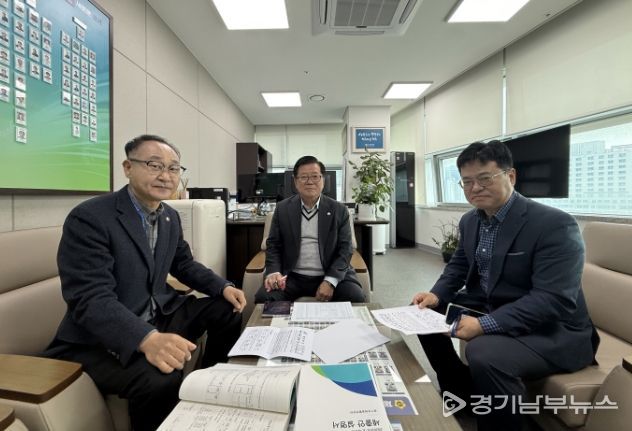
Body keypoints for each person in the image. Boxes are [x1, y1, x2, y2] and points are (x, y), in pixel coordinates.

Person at [44, 135, 246, 431]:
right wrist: (146, 338)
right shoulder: (90, 217)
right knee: (161, 377)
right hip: (101, 337)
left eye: (173, 168)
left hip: (159, 312)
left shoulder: (169, 217)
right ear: (128, 167)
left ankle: (207, 387)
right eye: (154, 165)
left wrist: (223, 286)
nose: (166, 176)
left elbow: (184, 264)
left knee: (227, 310)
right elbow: (91, 298)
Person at [412, 140, 597, 430]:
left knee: (483, 352)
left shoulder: (554, 225)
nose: (475, 188)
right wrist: (435, 295)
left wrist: (483, 324)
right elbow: (458, 266)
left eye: (485, 178)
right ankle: (461, 392)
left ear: (510, 176)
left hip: (553, 329)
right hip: (493, 305)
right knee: (422, 314)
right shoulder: (470, 221)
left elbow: (552, 299)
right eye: (467, 182)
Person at [254, 155, 366, 303]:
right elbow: (273, 245)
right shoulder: (282, 209)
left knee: (355, 297)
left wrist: (330, 281)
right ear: (295, 181)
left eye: (315, 176)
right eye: (304, 177)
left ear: (323, 179)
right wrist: (273, 271)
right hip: (292, 275)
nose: (310, 181)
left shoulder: (339, 210)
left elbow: (345, 249)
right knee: (264, 299)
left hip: (329, 272)